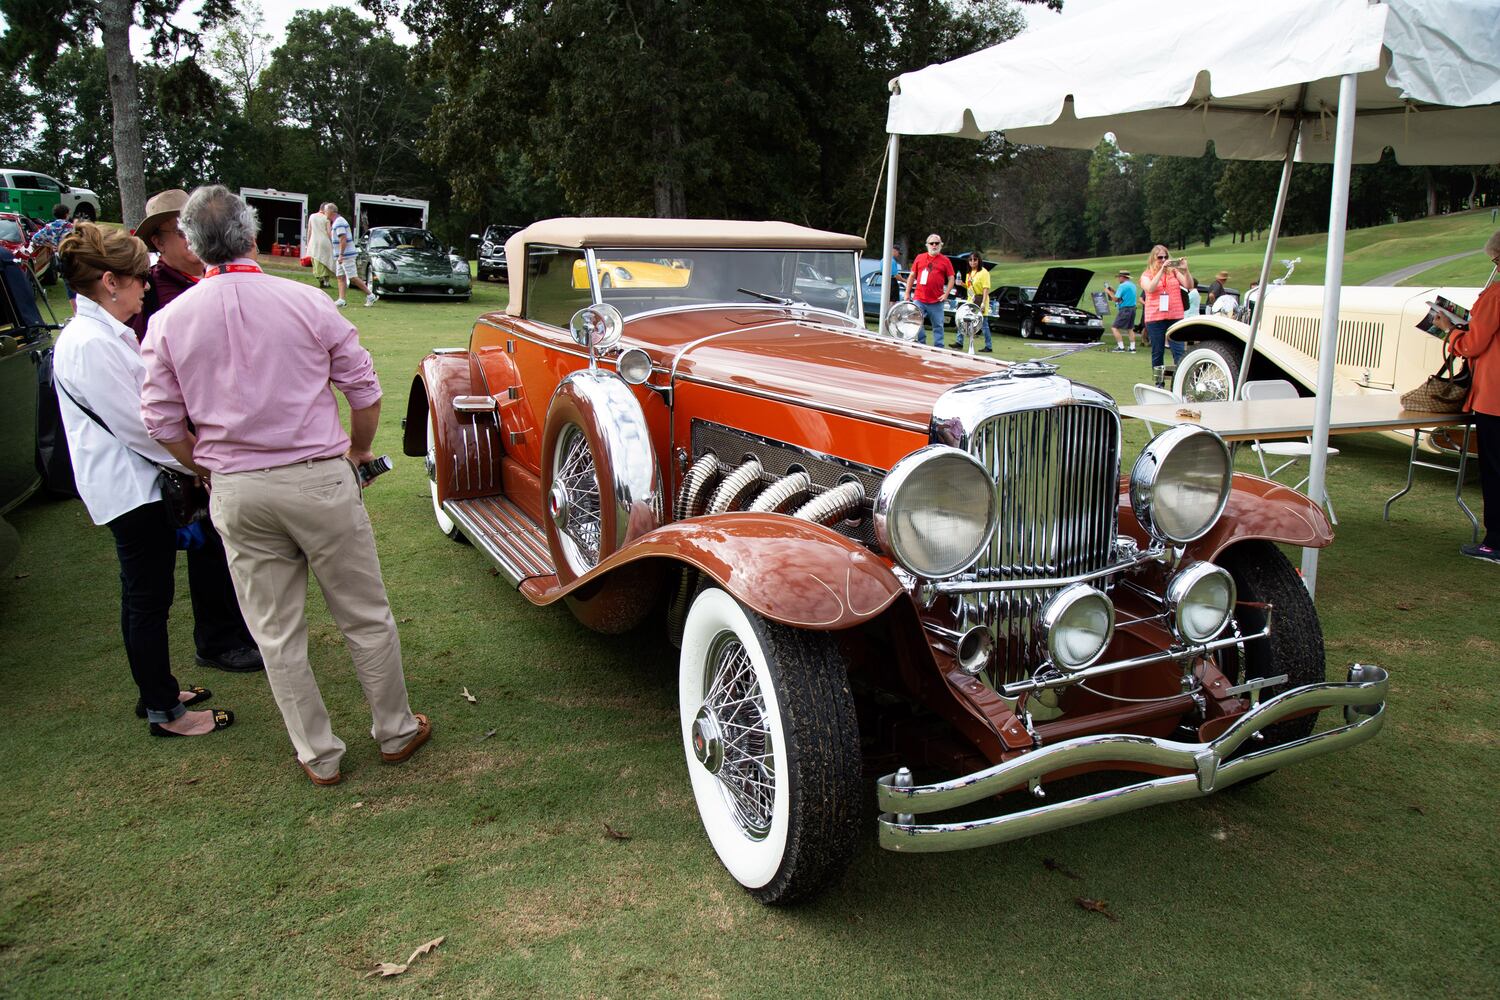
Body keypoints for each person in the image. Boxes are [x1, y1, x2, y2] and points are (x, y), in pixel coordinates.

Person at [141, 186, 430, 784]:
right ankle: (395, 730)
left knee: (276, 633)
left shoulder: (170, 319)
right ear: (249, 235)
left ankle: (319, 754)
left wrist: (208, 467)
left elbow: (162, 422)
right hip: (317, 478)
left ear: (194, 247)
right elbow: (364, 389)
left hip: (238, 487)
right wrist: (358, 450)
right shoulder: (306, 302)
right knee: (364, 615)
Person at [52, 223, 260, 737]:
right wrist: (201, 465)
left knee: (149, 594)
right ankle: (165, 710)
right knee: (147, 598)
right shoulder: (88, 343)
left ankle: (159, 689)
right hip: (130, 489)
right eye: (139, 278)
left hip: (138, 484)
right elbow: (143, 427)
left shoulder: (104, 335)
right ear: (109, 281)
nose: (146, 286)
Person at [1435, 229, 1500, 564]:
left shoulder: (1495, 295)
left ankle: (1496, 541)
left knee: (1495, 470)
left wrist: (1451, 331)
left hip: (1495, 398)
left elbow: (1475, 344)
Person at [128, 189, 205, 341]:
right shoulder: (145, 289)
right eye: (181, 231)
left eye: (196, 225)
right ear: (158, 242)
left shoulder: (222, 276)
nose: (193, 236)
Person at [1139, 245, 1194, 370]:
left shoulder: (1174, 272)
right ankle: (1159, 383)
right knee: (1158, 352)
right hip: (1155, 317)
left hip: (1175, 316)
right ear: (1153, 258)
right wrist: (1161, 271)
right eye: (1160, 257)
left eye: (1165, 257)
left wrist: (1185, 271)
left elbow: (1189, 285)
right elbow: (1150, 288)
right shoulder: (1146, 275)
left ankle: (1178, 380)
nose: (1163, 260)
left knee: (1179, 351)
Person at [20, 204, 76, 314]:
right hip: (74, 257)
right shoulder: (71, 227)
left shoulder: (49, 227)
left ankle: (76, 313)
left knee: (69, 286)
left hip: (60, 258)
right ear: (66, 214)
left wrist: (49, 245)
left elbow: (35, 238)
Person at [903, 233, 954, 346]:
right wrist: (907, 293)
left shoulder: (945, 261)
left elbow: (951, 279)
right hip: (919, 298)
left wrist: (946, 294)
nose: (934, 245)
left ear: (941, 245)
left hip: (937, 300)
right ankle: (921, 343)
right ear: (927, 245)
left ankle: (939, 347)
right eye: (932, 243)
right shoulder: (920, 257)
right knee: (916, 322)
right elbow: (912, 276)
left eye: (937, 243)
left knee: (938, 325)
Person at [326, 202, 375, 308]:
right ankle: (341, 300)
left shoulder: (339, 222)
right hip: (341, 255)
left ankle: (370, 295)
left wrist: (341, 255)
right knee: (340, 276)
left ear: (331, 211)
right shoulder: (335, 222)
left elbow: (343, 239)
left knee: (352, 277)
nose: (325, 213)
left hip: (346, 255)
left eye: (326, 211)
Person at [959, 251, 993, 352]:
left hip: (981, 300)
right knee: (963, 319)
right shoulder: (969, 273)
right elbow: (969, 287)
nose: (972, 262)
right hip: (971, 300)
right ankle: (959, 342)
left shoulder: (984, 272)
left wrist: (983, 302)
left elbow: (986, 288)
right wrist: (962, 284)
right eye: (970, 260)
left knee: (983, 324)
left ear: (979, 260)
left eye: (975, 259)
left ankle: (989, 346)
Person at [1105, 268, 1138, 352]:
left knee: (1114, 327)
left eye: (1119, 277)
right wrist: (1113, 290)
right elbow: (1123, 296)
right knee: (1130, 328)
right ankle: (1132, 347)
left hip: (1125, 309)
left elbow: (1116, 299)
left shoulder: (1122, 286)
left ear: (1123, 277)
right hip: (1132, 309)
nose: (1118, 279)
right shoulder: (1132, 285)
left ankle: (1121, 347)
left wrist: (1108, 292)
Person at [306, 202, 335, 289]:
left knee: (317, 260)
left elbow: (309, 230)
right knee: (326, 261)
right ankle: (326, 281)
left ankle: (320, 279)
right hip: (325, 241)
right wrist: (333, 242)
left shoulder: (312, 216)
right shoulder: (326, 218)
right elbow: (329, 232)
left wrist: (308, 242)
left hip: (314, 241)